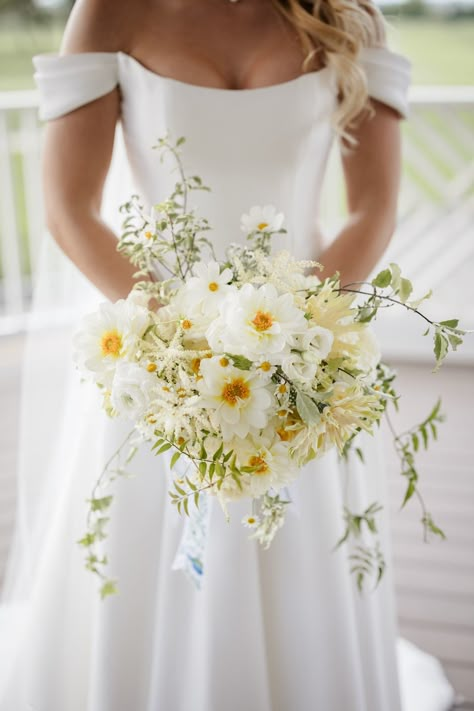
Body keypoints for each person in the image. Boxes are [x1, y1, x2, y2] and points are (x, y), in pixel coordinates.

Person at [0, 1, 456, 709]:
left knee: (304, 562)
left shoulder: (347, 18)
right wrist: (185, 349)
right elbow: (69, 209)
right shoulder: (108, 14)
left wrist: (296, 343)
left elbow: (373, 209)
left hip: (304, 354)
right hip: (158, 357)